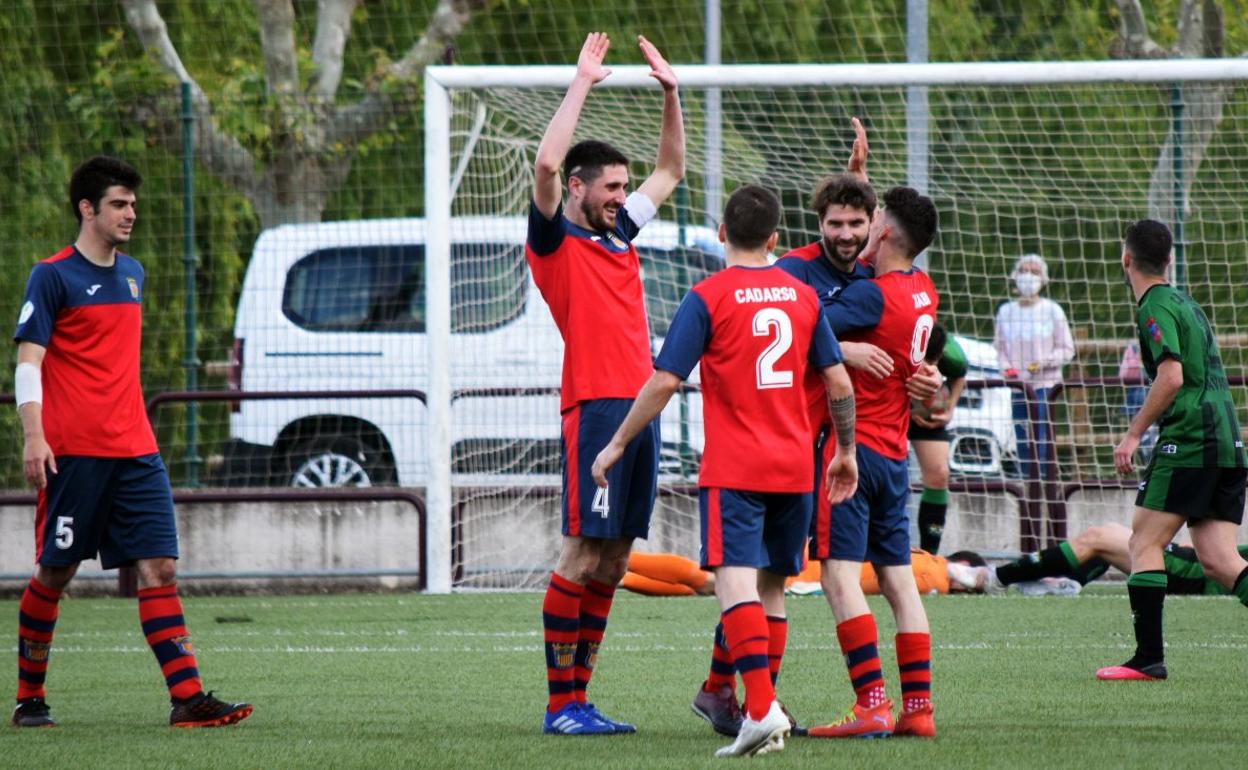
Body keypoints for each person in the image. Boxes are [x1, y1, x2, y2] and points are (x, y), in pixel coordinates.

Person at [591, 184, 859, 757]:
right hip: (794, 465)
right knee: (772, 588)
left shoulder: (708, 296)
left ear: (720, 234)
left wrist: (615, 444)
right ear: (774, 239)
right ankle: (758, 704)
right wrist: (845, 451)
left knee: (732, 580)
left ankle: (758, 710)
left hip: (736, 467)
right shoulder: (802, 296)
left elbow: (665, 380)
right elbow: (838, 381)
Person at [11, 156, 253, 728]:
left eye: (134, 205)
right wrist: (34, 436)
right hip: (73, 453)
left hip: (137, 450)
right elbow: (28, 362)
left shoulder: (133, 274)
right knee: (56, 574)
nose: (130, 214)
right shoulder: (52, 276)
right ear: (87, 208)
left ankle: (188, 698)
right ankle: (29, 699)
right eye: (119, 204)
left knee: (161, 568)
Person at [527, 32, 685, 735]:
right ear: (581, 190)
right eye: (611, 187)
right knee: (582, 552)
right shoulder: (557, 241)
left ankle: (581, 699)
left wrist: (672, 95)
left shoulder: (620, 238)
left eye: (625, 186)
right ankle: (560, 706)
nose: (623, 196)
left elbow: (672, 171)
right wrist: (583, 80)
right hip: (594, 409)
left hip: (640, 412)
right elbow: (546, 161)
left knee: (617, 557)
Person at [806, 186, 940, 740]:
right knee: (899, 581)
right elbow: (925, 364)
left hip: (851, 456)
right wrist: (926, 380)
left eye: (874, 217)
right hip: (895, 455)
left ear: (882, 230)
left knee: (838, 578)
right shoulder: (925, 289)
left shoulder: (871, 297)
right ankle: (919, 709)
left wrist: (844, 348)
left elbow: (803, 315)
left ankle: (872, 705)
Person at [1096, 219, 1248, 681]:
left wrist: (1133, 434)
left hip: (1191, 441)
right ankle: (1148, 658)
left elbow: (1172, 376)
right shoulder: (1188, 304)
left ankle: (1147, 659)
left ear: (1127, 260)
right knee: (1221, 561)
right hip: (1229, 441)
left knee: (1143, 540)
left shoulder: (1154, 307)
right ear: (1169, 260)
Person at [962, 522, 1248, 599]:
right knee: (1105, 541)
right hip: (1195, 564)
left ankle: (994, 578)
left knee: (1097, 537)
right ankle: (1067, 583)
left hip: (1198, 573)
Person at [993, 253, 1074, 479]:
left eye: (1035, 272)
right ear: (1015, 276)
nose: (1028, 276)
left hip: (1045, 385)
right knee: (1021, 434)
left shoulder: (1053, 310)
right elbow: (999, 349)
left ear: (1043, 279)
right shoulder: (1005, 312)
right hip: (1017, 386)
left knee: (1042, 435)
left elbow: (1067, 348)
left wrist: (1043, 363)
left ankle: (1045, 480)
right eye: (1024, 271)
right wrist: (1007, 369)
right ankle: (1027, 482)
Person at [621, 549, 963, 597]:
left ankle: (620, 572)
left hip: (813, 560)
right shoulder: (936, 573)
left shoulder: (928, 559)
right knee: (712, 581)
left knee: (712, 584)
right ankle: (623, 568)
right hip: (809, 571)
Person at [909, 323, 968, 553]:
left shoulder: (950, 352)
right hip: (883, 407)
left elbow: (959, 375)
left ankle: (929, 554)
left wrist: (949, 410)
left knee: (939, 474)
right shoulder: (892, 337)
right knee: (880, 477)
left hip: (923, 413)